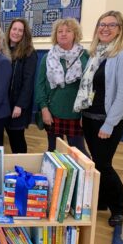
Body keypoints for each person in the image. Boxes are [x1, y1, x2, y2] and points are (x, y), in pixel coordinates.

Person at [74, 11, 123, 227]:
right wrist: (82, 114)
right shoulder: (97, 53)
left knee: (103, 164)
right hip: (89, 117)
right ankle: (103, 200)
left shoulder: (122, 54)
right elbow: (88, 88)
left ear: (120, 29)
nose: (105, 28)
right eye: (101, 24)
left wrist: (109, 123)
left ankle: (120, 206)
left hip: (108, 120)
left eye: (111, 25)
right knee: (96, 162)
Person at [35, 18, 89, 153]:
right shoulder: (48, 57)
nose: (63, 34)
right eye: (60, 31)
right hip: (53, 113)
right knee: (54, 151)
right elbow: (40, 85)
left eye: (68, 31)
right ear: (55, 35)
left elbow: (90, 87)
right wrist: (44, 109)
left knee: (79, 154)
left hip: (76, 114)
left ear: (75, 34)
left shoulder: (85, 56)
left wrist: (85, 113)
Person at [5, 18, 38, 153]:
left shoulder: (29, 52)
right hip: (4, 102)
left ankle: (22, 168)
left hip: (18, 104)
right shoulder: (4, 49)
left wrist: (20, 105)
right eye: (14, 29)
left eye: (20, 30)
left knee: (17, 137)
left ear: (25, 34)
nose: (16, 33)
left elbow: (28, 81)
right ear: (9, 30)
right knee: (10, 136)